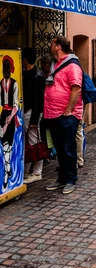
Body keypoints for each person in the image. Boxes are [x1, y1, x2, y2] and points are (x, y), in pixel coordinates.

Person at [44, 36, 83, 194]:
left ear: (58, 46)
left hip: (66, 114)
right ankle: (62, 178)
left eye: (52, 43)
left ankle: (71, 180)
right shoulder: (57, 64)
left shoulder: (72, 65)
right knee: (60, 148)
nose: (51, 46)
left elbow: (76, 88)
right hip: (53, 113)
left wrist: (68, 110)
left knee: (68, 148)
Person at [22, 47, 46, 184]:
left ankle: (37, 172)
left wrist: (34, 119)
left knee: (34, 143)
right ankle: (29, 171)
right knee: (30, 143)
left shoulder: (36, 75)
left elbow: (39, 100)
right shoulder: (32, 74)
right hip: (28, 112)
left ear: (24, 60)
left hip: (31, 113)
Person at [0, 55, 20, 189]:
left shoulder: (15, 83)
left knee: (8, 145)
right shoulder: (0, 83)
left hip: (11, 116)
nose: (5, 71)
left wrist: (10, 117)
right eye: (4, 68)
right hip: (3, 115)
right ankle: (7, 170)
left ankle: (7, 174)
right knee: (3, 144)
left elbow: (16, 105)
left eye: (7, 68)